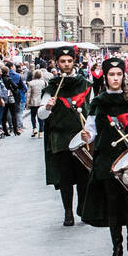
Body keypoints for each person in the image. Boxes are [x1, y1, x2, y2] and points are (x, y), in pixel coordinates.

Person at [79, 57, 128, 256]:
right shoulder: (98, 102)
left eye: (119, 74)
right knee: (112, 203)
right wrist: (86, 136)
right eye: (112, 74)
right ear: (105, 77)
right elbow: (91, 132)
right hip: (106, 160)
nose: (115, 78)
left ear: (123, 76)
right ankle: (116, 247)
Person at [40, 47, 92, 225]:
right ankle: (68, 212)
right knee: (65, 178)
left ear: (74, 62)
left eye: (69, 61)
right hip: (60, 137)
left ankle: (83, 208)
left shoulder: (84, 84)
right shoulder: (52, 87)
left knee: (84, 175)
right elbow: (41, 114)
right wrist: (47, 107)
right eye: (63, 61)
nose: (66, 64)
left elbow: (90, 111)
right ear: (57, 63)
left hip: (80, 136)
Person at [26, 69, 46, 136]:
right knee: (40, 117)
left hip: (33, 101)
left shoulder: (31, 83)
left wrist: (27, 103)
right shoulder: (43, 82)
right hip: (41, 102)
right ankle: (41, 132)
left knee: (33, 116)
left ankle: (34, 128)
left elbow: (28, 94)